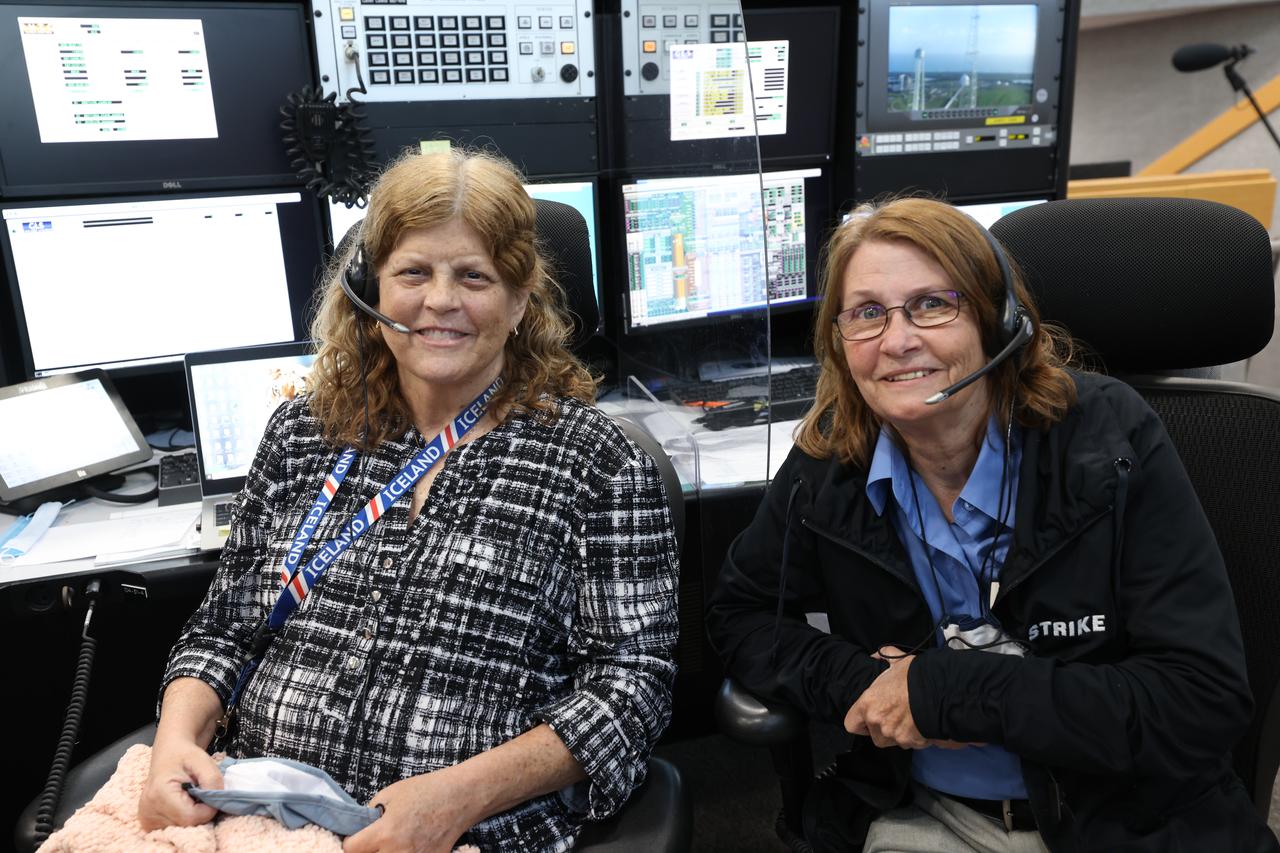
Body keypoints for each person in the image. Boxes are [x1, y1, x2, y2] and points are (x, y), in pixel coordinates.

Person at [138, 149, 680, 852]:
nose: (441, 300)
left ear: (519, 301)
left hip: (469, 830)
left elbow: (631, 690)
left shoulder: (599, 462)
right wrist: (174, 739)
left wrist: (458, 796)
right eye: (414, 272)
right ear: (371, 289)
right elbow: (223, 631)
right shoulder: (304, 433)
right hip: (250, 808)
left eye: (474, 276)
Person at [706, 197, 1278, 852]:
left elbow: (1199, 700)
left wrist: (948, 689)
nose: (896, 340)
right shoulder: (833, 456)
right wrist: (866, 683)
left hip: (1125, 818)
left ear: (996, 319)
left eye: (931, 304)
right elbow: (741, 613)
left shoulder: (1107, 437)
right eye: (867, 313)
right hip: (924, 814)